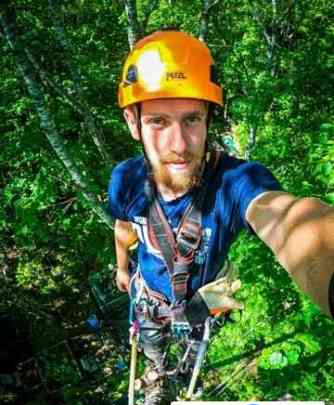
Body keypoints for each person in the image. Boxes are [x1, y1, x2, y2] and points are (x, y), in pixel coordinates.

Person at [108, 30, 334, 385]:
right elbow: (124, 232)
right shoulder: (125, 180)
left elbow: (288, 219)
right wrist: (123, 270)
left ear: (209, 119)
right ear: (132, 123)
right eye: (158, 121)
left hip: (202, 303)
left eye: (192, 119)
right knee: (153, 348)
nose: (179, 144)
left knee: (193, 350)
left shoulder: (235, 183)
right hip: (149, 302)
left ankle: (179, 374)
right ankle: (156, 370)